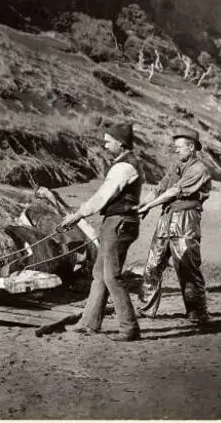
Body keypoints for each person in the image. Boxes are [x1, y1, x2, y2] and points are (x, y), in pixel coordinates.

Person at [61, 123, 144, 342]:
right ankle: (89, 323)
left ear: (120, 142)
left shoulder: (124, 167)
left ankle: (129, 328)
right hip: (116, 222)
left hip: (119, 223)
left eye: (108, 141)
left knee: (111, 276)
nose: (105, 145)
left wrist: (78, 215)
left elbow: (103, 196)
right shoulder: (124, 164)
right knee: (99, 273)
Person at [136, 127, 212, 325]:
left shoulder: (199, 169)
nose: (176, 150)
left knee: (187, 266)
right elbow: (159, 188)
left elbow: (175, 191)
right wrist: (142, 204)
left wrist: (150, 206)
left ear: (191, 147)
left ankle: (197, 312)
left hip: (186, 220)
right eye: (175, 147)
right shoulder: (175, 167)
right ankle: (146, 309)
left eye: (179, 147)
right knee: (153, 264)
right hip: (167, 217)